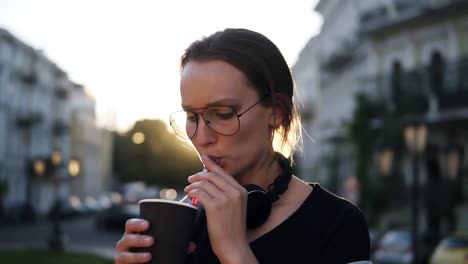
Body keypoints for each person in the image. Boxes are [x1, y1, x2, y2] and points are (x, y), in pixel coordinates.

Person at [115, 28, 370, 264]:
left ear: (276, 112)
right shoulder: (184, 221)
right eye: (192, 117)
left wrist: (234, 251)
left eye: (223, 114)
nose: (202, 136)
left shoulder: (338, 223)